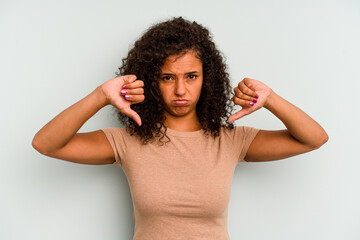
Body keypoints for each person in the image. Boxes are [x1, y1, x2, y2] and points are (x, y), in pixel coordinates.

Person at [32, 17, 328, 239]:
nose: (181, 91)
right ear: (151, 80)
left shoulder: (230, 140)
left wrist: (270, 99)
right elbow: (46, 144)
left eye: (191, 76)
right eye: (167, 78)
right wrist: (100, 96)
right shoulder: (128, 141)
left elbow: (314, 139)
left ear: (206, 79)